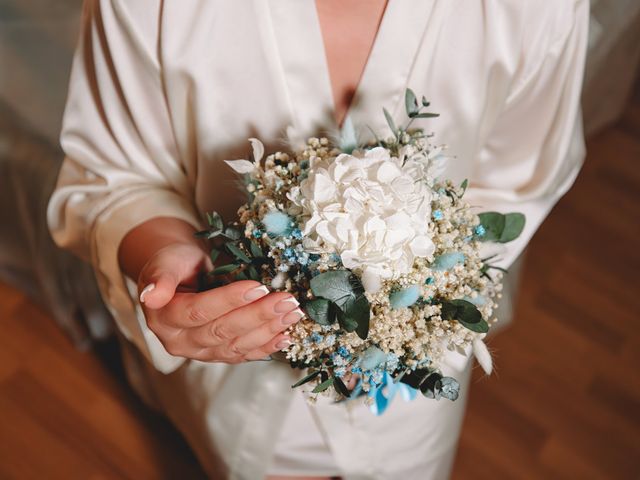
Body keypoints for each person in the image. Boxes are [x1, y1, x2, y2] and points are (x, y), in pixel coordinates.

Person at [47, 1, 589, 478]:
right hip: (239, 371)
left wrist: (416, 309)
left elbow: (515, 183)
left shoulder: (536, 9)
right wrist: (165, 255)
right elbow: (117, 176)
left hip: (414, 387)